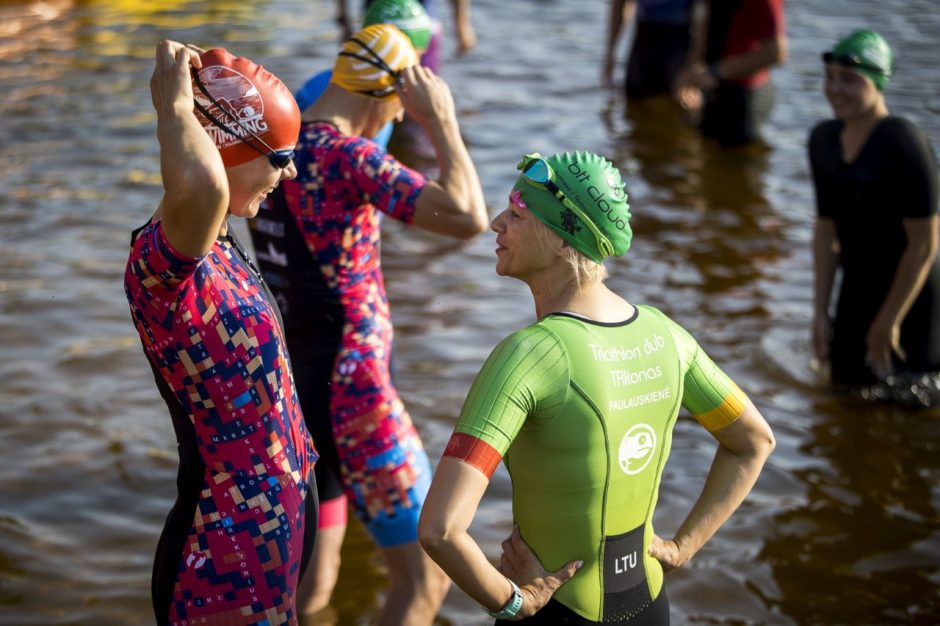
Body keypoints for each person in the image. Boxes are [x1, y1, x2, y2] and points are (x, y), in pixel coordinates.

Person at [418, 151, 776, 624]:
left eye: (518, 214)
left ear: (563, 241)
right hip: (650, 605)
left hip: (560, 610)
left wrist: (511, 601)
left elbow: (441, 530)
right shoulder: (667, 336)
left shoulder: (531, 355)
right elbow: (754, 442)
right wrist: (683, 546)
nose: (496, 223)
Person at [247, 24, 487, 625]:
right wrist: (441, 120)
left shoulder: (272, 147)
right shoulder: (349, 157)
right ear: (384, 99)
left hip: (297, 383)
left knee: (312, 583)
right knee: (425, 580)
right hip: (358, 394)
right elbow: (467, 217)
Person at [124, 42, 318, 625]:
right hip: (221, 552)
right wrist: (176, 109)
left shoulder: (220, 244)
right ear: (221, 148)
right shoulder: (163, 268)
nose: (289, 170)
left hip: (266, 540)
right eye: (279, 154)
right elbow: (202, 188)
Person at [810, 29, 940, 387]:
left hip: (912, 293)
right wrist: (820, 312)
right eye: (830, 78)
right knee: (846, 390)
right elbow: (825, 231)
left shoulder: (905, 142)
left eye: (849, 80)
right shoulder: (823, 140)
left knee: (915, 397)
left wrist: (890, 320)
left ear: (878, 82)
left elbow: (925, 243)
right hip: (857, 286)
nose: (835, 89)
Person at [295, 0, 435, 152]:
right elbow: (373, 163)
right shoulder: (374, 105)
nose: (417, 65)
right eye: (416, 56)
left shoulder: (318, 83)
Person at [674, 0, 786, 147]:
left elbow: (776, 53)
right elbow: (708, 17)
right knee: (704, 152)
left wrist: (716, 72)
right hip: (713, 84)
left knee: (739, 162)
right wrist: (691, 70)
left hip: (746, 94)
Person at [602, 0, 703, 100]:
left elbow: (703, 17)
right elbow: (619, 4)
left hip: (676, 47)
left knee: (674, 102)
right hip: (642, 44)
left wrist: (692, 65)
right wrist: (610, 54)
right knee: (634, 101)